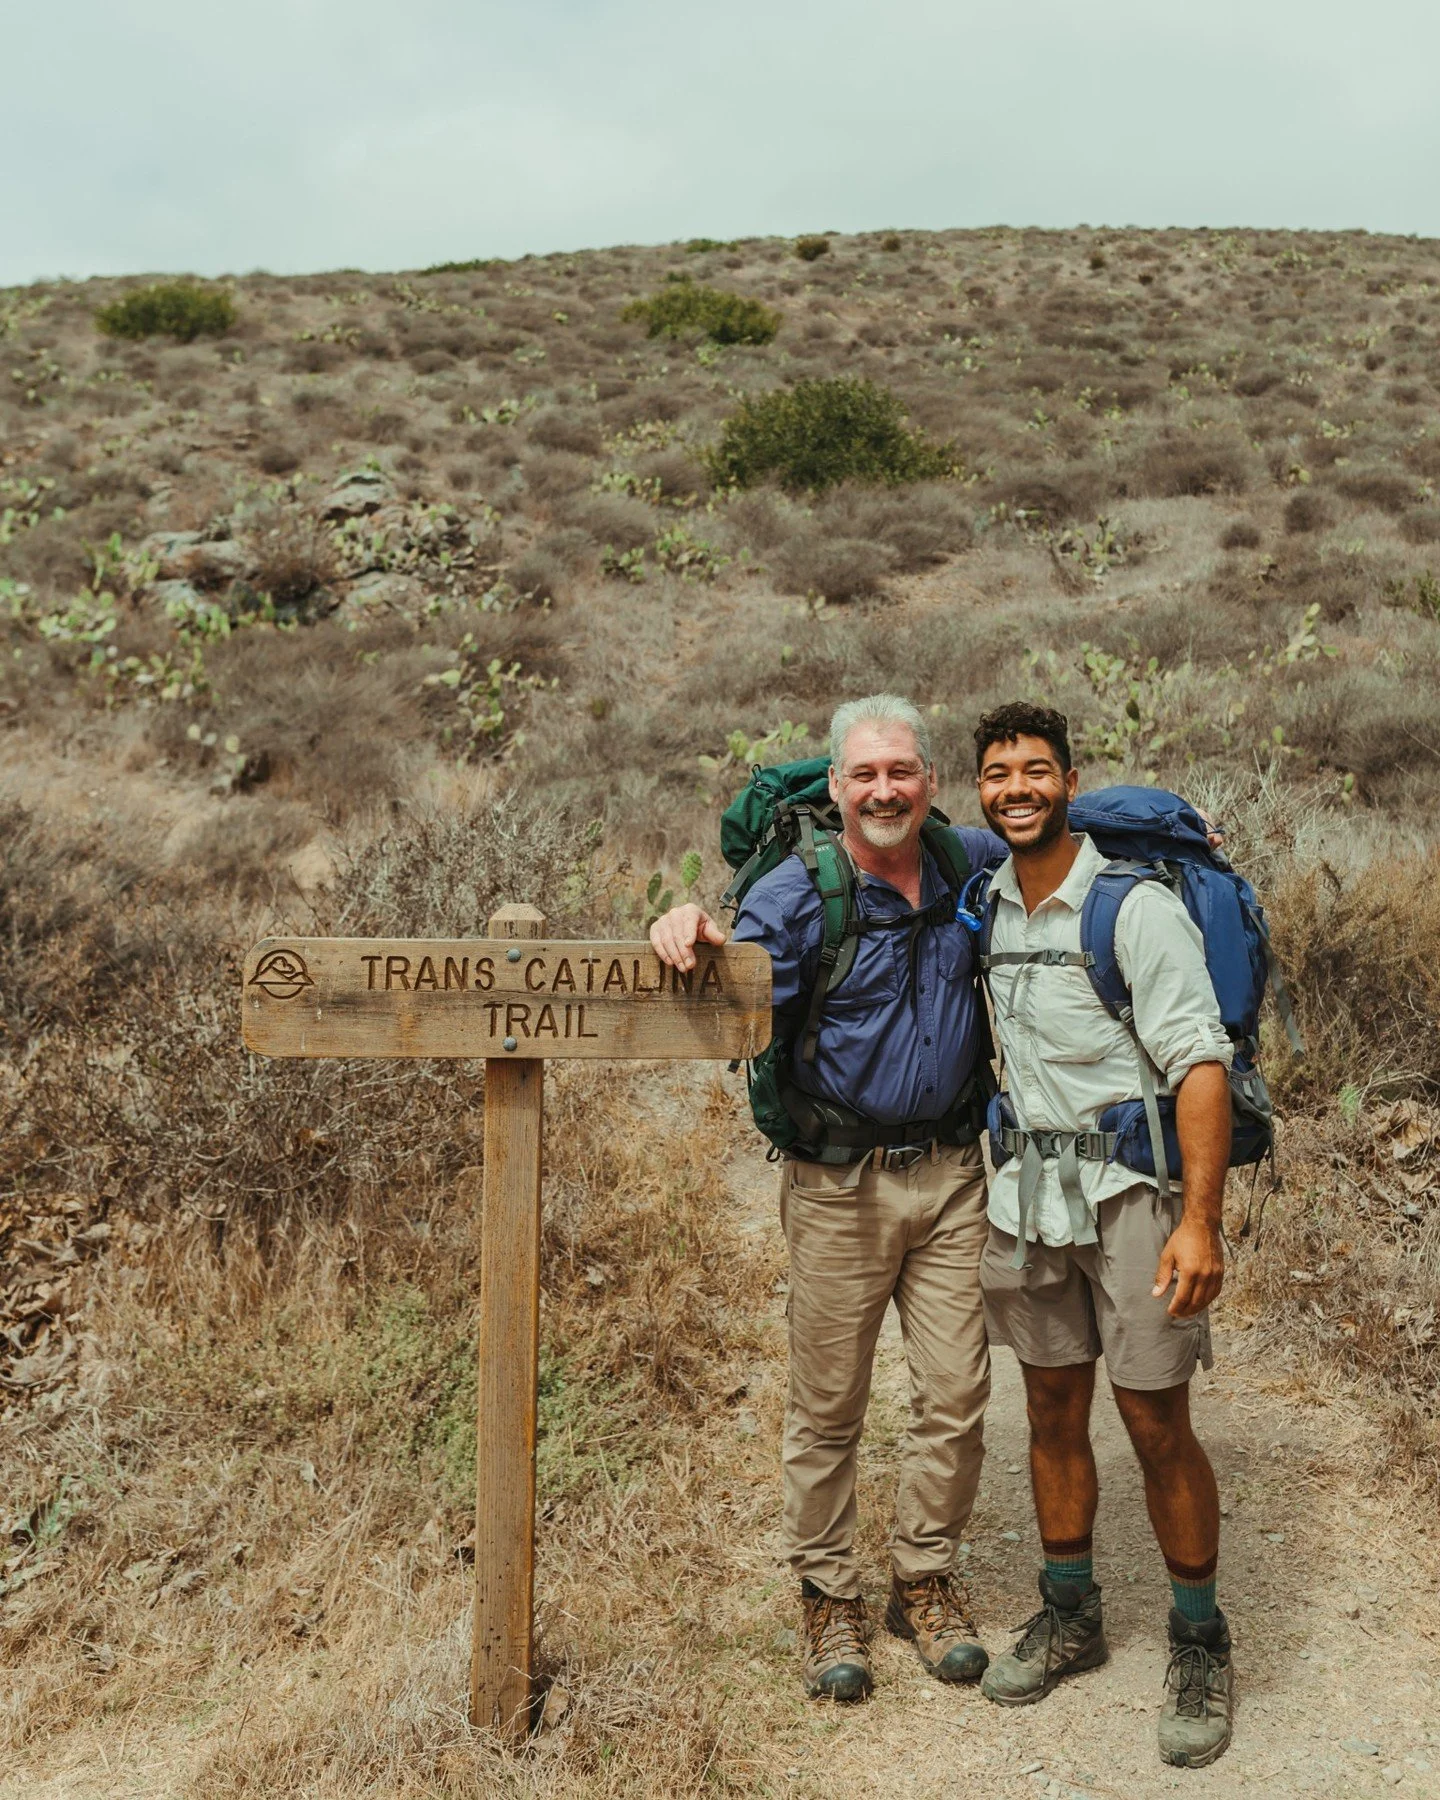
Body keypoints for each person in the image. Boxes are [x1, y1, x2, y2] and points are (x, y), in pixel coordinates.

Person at [650, 694, 1007, 1702]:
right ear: (839, 787)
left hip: (950, 1175)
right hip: (839, 1184)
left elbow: (1062, 825)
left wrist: (1172, 823)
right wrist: (682, 923)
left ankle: (923, 1581)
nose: (885, 790)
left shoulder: (962, 860)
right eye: (865, 775)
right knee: (830, 1403)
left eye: (901, 772)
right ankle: (828, 1594)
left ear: (928, 782)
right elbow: (726, 959)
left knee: (957, 1394)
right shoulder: (803, 892)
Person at [970, 701, 1236, 1770]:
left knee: (1155, 1418)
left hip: (1131, 1197)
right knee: (1047, 1406)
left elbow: (1200, 1064)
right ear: (979, 792)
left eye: (1036, 769)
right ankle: (1071, 1611)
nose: (1017, 788)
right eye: (997, 773)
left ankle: (1200, 1638)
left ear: (1069, 782)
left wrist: (1202, 1223)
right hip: (1026, 1200)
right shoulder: (981, 903)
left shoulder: (1130, 909)